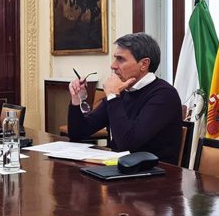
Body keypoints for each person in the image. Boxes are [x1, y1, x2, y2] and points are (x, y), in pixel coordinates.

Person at [67, 33, 183, 163]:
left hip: (153, 175)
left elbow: (127, 144)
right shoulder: (123, 91)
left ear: (144, 64)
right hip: (121, 169)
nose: (113, 66)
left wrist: (112, 95)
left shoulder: (165, 95)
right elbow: (78, 132)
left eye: (120, 59)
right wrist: (76, 98)